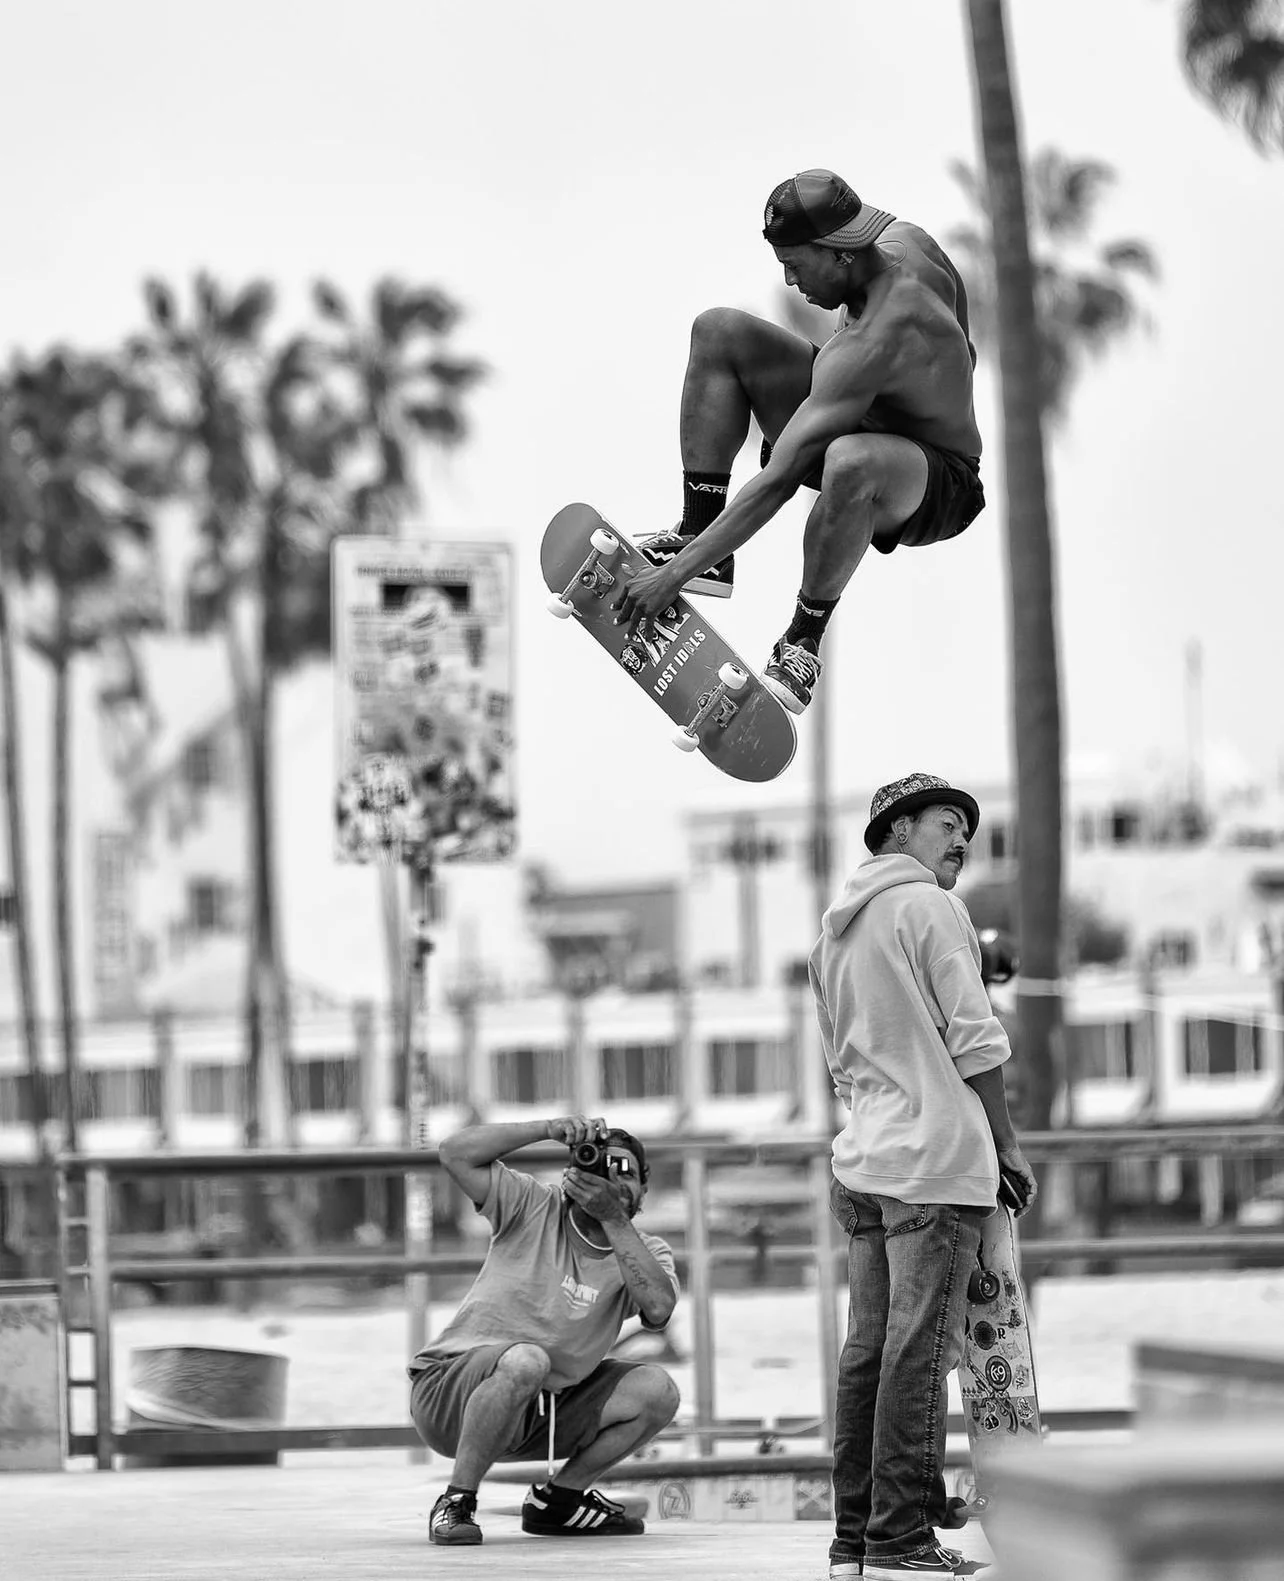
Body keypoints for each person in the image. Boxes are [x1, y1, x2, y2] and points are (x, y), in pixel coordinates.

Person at [612, 168, 985, 715]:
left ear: (840, 253)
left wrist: (670, 577)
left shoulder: (871, 340)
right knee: (718, 329)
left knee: (848, 460)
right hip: (865, 414)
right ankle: (700, 528)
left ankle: (802, 640)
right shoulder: (911, 241)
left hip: (938, 481)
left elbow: (779, 481)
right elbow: (966, 345)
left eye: (794, 265)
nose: (790, 282)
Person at [809, 772, 1037, 1581]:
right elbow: (977, 1039)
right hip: (935, 1165)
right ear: (898, 831)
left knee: (866, 1352)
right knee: (916, 1351)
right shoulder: (931, 908)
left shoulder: (830, 937)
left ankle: (854, 1542)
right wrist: (1006, 1147)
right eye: (946, 822)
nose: (961, 838)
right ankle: (902, 1535)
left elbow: (842, 1061)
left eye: (965, 827)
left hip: (865, 1163)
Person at [409, 1114, 681, 1546]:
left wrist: (613, 1220)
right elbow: (454, 1153)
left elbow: (659, 1309)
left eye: (627, 1173)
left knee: (658, 1390)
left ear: (644, 1191)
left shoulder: (645, 1251)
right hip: (449, 1395)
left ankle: (560, 1502)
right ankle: (456, 1500)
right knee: (526, 1360)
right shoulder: (531, 1204)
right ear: (574, 1173)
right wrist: (549, 1130)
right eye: (603, 1166)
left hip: (543, 1413)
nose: (614, 1180)